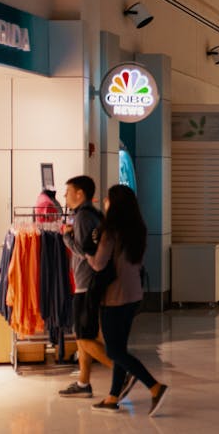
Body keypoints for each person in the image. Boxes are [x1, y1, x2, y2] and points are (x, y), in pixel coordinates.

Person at [86, 185, 168, 416]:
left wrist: (84, 252)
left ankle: (155, 386)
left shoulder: (109, 231)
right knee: (120, 347)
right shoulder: (137, 229)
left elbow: (98, 263)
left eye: (108, 199)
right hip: (133, 295)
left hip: (114, 296)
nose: (104, 201)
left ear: (115, 204)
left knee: (114, 352)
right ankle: (113, 397)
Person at [58, 176, 115, 399]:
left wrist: (66, 239)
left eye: (68, 191)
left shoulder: (82, 217)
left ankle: (123, 370)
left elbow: (85, 252)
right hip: (93, 282)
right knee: (86, 334)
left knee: (82, 337)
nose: (65, 196)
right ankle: (83, 383)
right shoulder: (95, 215)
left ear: (79, 194)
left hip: (86, 284)